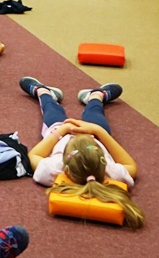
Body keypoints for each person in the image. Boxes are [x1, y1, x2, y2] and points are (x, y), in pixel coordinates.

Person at [19, 77, 144, 225]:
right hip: (95, 134)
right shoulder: (109, 171)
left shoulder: (54, 169)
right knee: (95, 114)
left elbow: (34, 155)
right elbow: (131, 166)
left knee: (51, 111)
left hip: (61, 134)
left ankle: (43, 92)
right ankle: (97, 96)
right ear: (102, 159)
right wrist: (98, 132)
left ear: (65, 165)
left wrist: (63, 130)